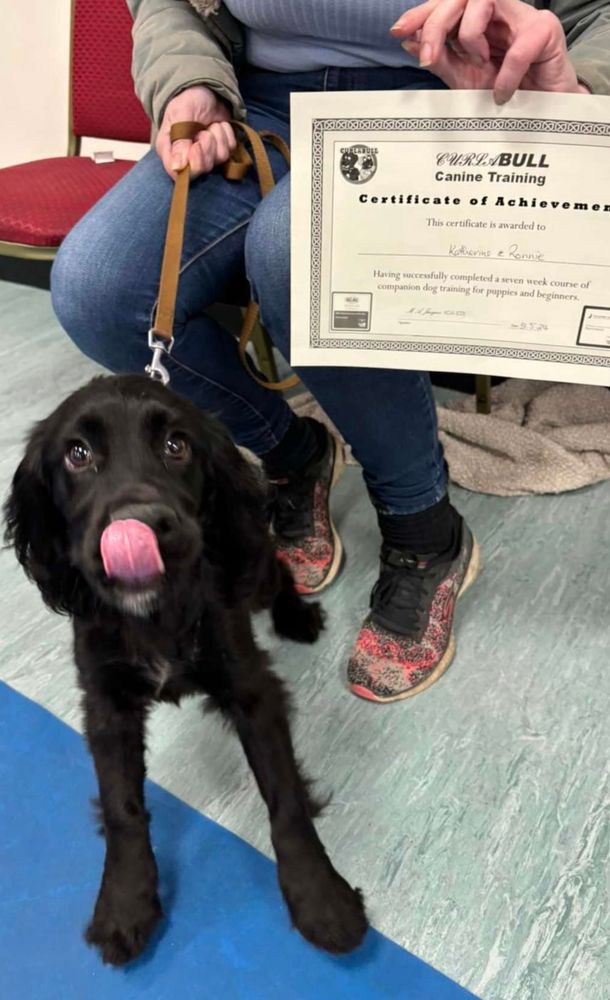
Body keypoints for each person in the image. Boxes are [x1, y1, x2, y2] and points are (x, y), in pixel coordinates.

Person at [50, 0, 609, 703]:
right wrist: (187, 78)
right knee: (96, 291)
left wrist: (578, 91)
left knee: (300, 254)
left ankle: (426, 529)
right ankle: (293, 452)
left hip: (439, 102)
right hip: (253, 99)